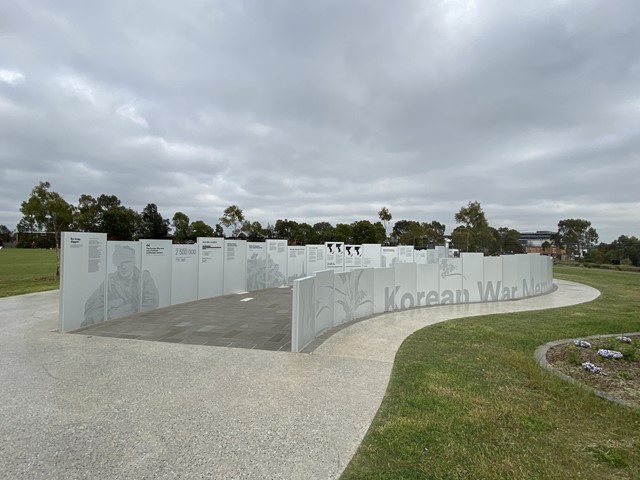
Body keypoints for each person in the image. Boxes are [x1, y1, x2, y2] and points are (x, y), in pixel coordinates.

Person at [83, 245, 159, 326]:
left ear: (133, 262)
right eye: (120, 263)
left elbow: (152, 302)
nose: (123, 267)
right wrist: (107, 315)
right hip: (115, 323)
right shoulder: (111, 280)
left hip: (139, 322)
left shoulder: (144, 277)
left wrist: (131, 315)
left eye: (127, 262)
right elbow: (92, 304)